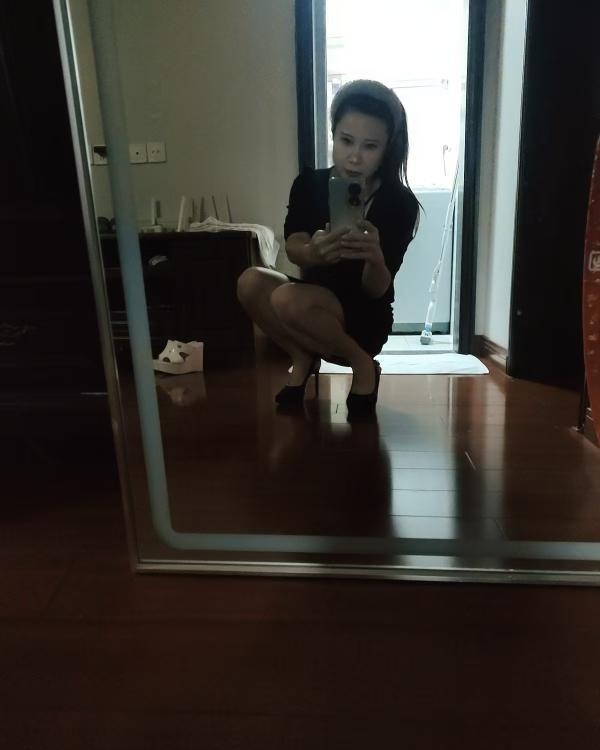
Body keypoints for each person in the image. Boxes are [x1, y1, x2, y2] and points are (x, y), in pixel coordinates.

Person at [237, 79, 420, 412]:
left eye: (370, 146)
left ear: (386, 149)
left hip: (363, 317)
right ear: (333, 134)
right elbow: (293, 246)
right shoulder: (309, 184)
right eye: (346, 140)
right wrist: (313, 252)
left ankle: (362, 363)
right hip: (309, 305)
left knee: (287, 298)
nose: (355, 157)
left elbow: (377, 289)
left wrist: (375, 258)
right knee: (250, 281)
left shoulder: (398, 203)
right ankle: (302, 357)